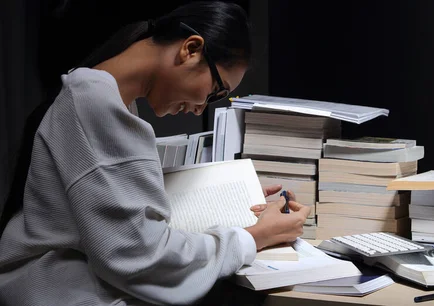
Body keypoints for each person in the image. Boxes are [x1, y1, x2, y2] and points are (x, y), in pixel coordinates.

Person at [0, 2, 310, 305]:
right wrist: (253, 238)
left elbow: (120, 223)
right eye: (216, 90)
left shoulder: (100, 94)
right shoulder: (96, 105)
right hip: (58, 289)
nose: (203, 106)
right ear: (190, 49)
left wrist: (236, 205)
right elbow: (139, 256)